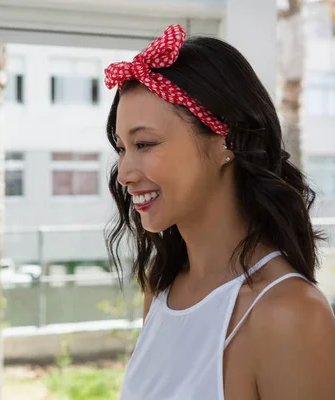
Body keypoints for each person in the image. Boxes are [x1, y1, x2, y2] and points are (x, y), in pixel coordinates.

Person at [104, 24, 335, 399]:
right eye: (121, 148)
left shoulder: (288, 314)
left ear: (226, 141)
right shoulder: (161, 289)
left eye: (144, 143)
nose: (125, 174)